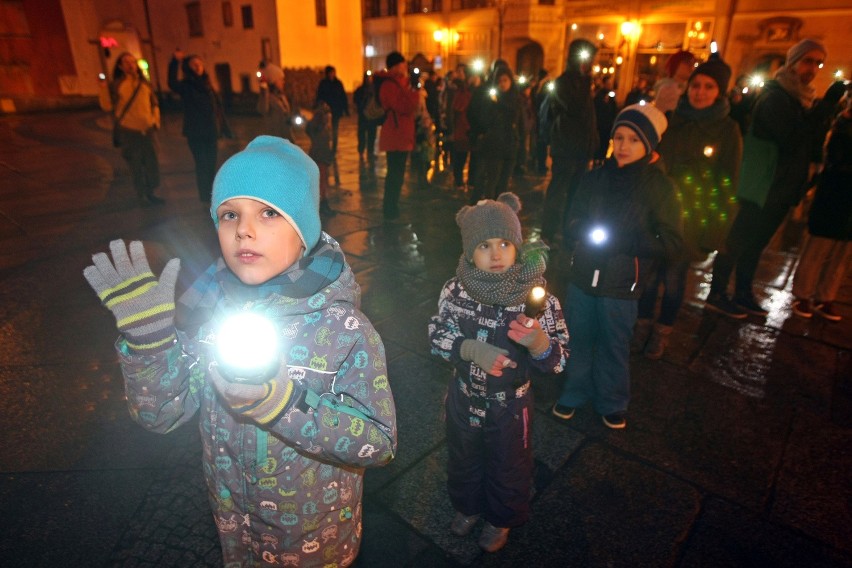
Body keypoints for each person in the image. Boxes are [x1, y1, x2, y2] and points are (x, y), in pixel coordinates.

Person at [83, 136, 397, 567]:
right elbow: (162, 413)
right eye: (230, 214)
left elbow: (378, 442)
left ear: (303, 232)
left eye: (269, 213)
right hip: (236, 528)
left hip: (312, 540)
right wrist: (150, 342)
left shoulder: (343, 330)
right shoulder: (213, 311)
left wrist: (285, 404)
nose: (244, 229)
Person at [428, 193, 568, 553]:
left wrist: (539, 344)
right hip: (465, 396)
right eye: (484, 245)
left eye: (504, 243)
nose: (495, 254)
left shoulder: (537, 299)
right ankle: (468, 506)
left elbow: (559, 362)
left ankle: (500, 517)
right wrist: (467, 348)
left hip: (510, 405)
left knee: (509, 464)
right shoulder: (456, 290)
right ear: (468, 252)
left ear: (517, 246)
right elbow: (435, 334)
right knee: (463, 456)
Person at [552, 104, 682, 429]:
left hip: (623, 284)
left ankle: (612, 399)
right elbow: (571, 219)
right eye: (619, 137)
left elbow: (672, 241)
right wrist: (581, 230)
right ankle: (573, 391)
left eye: (634, 140)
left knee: (614, 343)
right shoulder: (595, 177)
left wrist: (628, 242)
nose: (623, 147)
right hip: (583, 277)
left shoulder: (660, 187)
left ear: (649, 145)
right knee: (578, 337)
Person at [704, 39, 847, 318]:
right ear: (792, 62)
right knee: (738, 240)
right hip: (762, 184)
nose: (813, 68)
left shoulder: (802, 99)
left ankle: (743, 291)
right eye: (808, 61)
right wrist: (826, 107)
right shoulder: (775, 96)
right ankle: (717, 292)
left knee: (757, 244)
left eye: (818, 63)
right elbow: (792, 138)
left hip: (782, 186)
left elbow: (811, 143)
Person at [634, 57, 742, 357]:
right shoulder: (671, 119)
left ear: (718, 92)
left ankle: (662, 331)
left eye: (708, 87)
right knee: (650, 275)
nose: (700, 92)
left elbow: (728, 182)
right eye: (695, 85)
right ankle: (641, 325)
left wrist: (715, 231)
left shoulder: (727, 129)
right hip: (660, 213)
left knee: (674, 279)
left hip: (692, 220)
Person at [791, 88, 852, 321]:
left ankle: (826, 296)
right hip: (834, 194)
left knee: (842, 254)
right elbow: (833, 157)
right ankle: (803, 294)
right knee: (818, 248)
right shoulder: (838, 126)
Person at [540, 39, 599, 243]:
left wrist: (593, 145)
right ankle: (547, 233)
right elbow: (576, 108)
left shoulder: (585, 83)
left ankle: (568, 232)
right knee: (558, 191)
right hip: (565, 147)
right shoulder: (565, 82)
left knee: (575, 194)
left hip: (581, 148)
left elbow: (590, 118)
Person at [99, 51, 164, 205]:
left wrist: (155, 121)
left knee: (151, 163)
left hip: (147, 130)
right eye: (126, 62)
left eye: (132, 62)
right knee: (136, 165)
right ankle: (142, 194)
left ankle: (151, 192)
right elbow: (107, 105)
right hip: (129, 131)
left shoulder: (145, 84)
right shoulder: (117, 85)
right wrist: (102, 88)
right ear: (120, 66)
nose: (130, 65)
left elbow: (154, 104)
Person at [168, 49, 232, 203]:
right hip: (196, 133)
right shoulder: (187, 85)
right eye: (193, 64)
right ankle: (205, 196)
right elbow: (172, 83)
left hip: (211, 131)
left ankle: (211, 193)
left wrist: (224, 128)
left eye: (199, 63)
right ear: (189, 68)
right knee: (202, 164)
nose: (197, 66)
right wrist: (175, 62)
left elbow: (217, 108)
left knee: (210, 164)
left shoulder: (208, 84)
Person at [467, 66, 524, 203]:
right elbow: (481, 117)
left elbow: (519, 122)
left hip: (509, 144)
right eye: (500, 81)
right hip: (493, 145)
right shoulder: (490, 99)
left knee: (503, 183)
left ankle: (498, 212)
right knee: (491, 181)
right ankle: (488, 213)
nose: (503, 84)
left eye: (505, 80)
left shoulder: (515, 98)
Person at [376, 51, 419, 220]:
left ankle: (392, 206)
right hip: (395, 135)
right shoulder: (389, 84)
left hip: (402, 133)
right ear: (395, 66)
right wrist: (414, 91)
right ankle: (390, 208)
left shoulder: (402, 82)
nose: (405, 66)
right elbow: (404, 106)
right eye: (402, 63)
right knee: (394, 173)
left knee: (398, 174)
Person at [315, 65, 350, 185]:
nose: (332, 75)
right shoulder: (323, 84)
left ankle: (333, 147)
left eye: (333, 72)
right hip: (326, 111)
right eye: (330, 73)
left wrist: (345, 109)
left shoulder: (338, 83)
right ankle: (328, 146)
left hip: (336, 111)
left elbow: (343, 96)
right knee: (326, 130)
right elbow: (319, 96)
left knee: (335, 129)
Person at [307, 101, 336, 215]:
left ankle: (322, 203)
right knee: (322, 182)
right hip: (320, 157)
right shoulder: (321, 130)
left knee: (321, 181)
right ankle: (322, 204)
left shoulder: (317, 128)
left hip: (318, 156)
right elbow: (323, 144)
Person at [256, 63, 294, 142]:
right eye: (280, 79)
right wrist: (264, 89)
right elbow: (262, 109)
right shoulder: (267, 97)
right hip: (275, 140)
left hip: (286, 139)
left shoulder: (282, 97)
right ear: (273, 81)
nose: (283, 82)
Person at [652, 50, 697, 116]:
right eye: (687, 63)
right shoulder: (668, 88)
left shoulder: (687, 87)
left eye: (693, 64)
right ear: (676, 64)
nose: (691, 67)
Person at [353, 71, 379, 164]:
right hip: (363, 116)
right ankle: (361, 151)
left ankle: (370, 152)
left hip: (372, 117)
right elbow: (356, 100)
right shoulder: (360, 90)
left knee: (372, 135)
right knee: (362, 135)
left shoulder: (374, 90)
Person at [593, 75, 618, 161]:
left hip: (608, 124)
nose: (609, 85)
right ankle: (597, 159)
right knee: (599, 143)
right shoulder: (599, 95)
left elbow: (614, 108)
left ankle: (602, 158)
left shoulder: (611, 95)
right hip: (600, 124)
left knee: (605, 143)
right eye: (607, 83)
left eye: (610, 84)